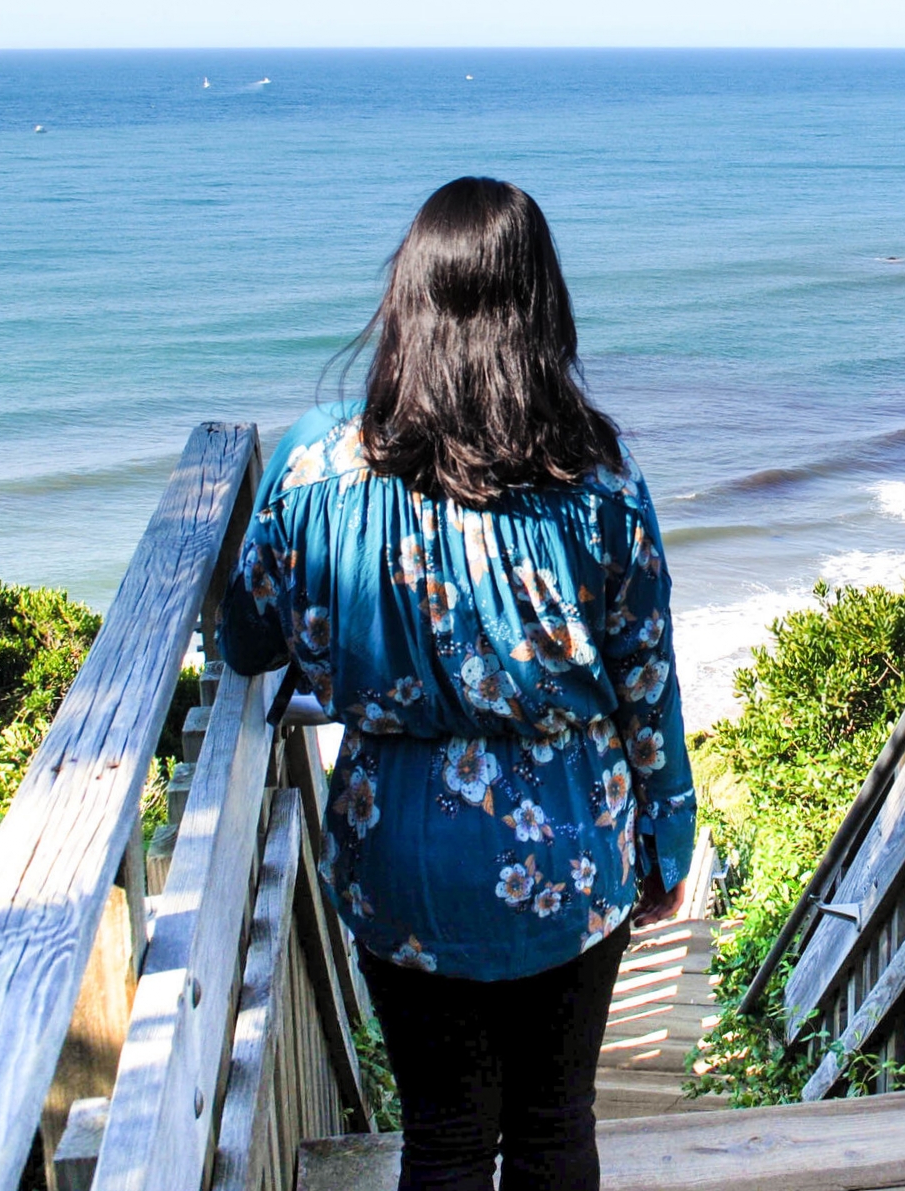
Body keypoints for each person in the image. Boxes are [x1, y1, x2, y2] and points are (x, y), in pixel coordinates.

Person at [219, 177, 695, 1191]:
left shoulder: (315, 466)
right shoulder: (598, 481)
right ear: (541, 308)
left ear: (405, 302)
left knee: (441, 1129)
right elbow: (645, 683)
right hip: (568, 844)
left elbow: (249, 636)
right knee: (553, 1120)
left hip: (398, 850)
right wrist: (668, 839)